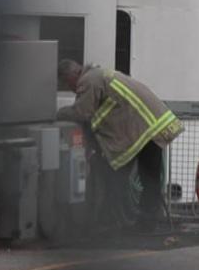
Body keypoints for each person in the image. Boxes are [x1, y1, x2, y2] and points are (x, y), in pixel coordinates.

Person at [56, 60, 184, 232]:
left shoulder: (89, 81)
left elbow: (82, 112)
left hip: (144, 131)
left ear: (71, 76)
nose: (71, 89)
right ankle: (146, 221)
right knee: (149, 178)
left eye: (66, 84)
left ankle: (122, 221)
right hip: (151, 128)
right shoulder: (100, 75)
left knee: (120, 177)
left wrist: (57, 113)